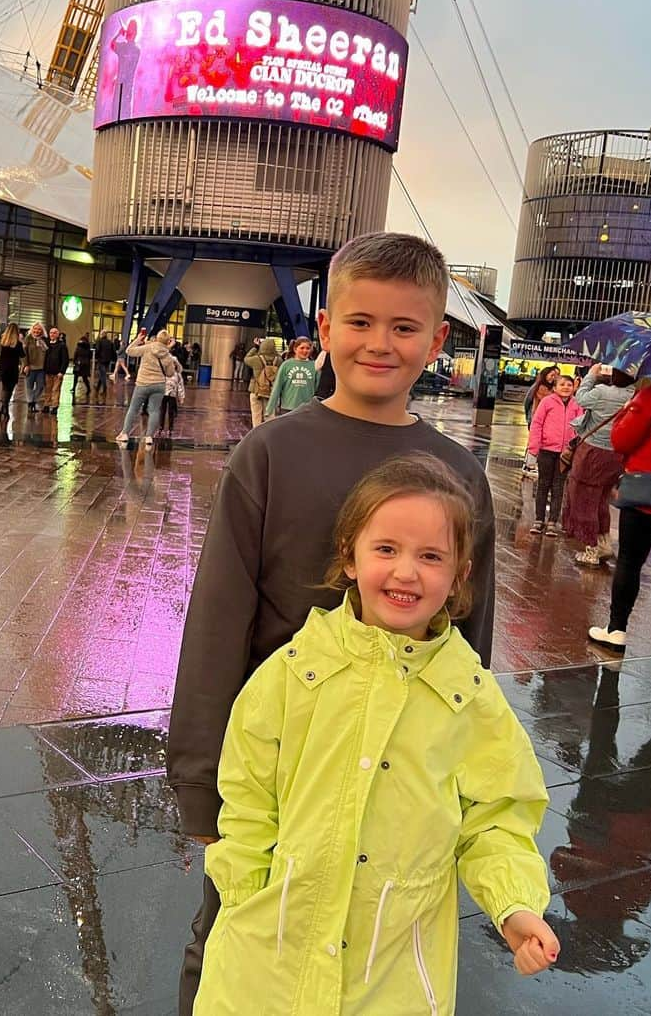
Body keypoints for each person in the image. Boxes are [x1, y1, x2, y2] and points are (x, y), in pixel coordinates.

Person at [167, 232, 498, 1015]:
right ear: (324, 330)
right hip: (285, 761)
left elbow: (469, 644)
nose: (380, 344)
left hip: (399, 766)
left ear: (435, 341)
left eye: (404, 327)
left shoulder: (462, 476)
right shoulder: (270, 455)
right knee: (234, 936)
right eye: (359, 322)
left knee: (375, 952)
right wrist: (199, 786)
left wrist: (467, 781)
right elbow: (218, 625)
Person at [193, 454, 556, 1016]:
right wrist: (243, 892)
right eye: (386, 549)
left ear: (460, 575)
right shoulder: (296, 672)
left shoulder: (469, 697)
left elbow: (499, 819)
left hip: (392, 967)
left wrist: (515, 905)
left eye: (431, 556)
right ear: (351, 557)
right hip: (272, 951)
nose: (406, 572)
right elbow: (247, 791)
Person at [588, 377, 651, 652]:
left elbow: (621, 440)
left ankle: (616, 630)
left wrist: (628, 409)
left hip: (644, 496)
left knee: (629, 562)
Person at [563, 364, 635, 566]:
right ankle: (604, 543)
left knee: (585, 500)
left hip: (593, 453)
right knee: (602, 499)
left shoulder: (603, 392)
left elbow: (581, 398)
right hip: (615, 455)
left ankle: (592, 549)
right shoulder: (633, 394)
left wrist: (591, 376)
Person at [526, 374, 583, 536]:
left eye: (569, 385)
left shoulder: (577, 404)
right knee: (543, 484)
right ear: (555, 387)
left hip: (566, 453)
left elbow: (581, 427)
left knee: (559, 487)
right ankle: (539, 520)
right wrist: (533, 449)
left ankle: (552, 522)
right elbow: (537, 424)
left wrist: (575, 448)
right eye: (562, 384)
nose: (566, 387)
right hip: (546, 450)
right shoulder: (547, 402)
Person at [115, 328, 180, 446]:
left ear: (157, 338)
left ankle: (125, 434)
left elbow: (129, 351)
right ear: (167, 342)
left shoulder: (147, 348)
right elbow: (170, 374)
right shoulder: (168, 356)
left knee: (133, 408)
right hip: (159, 385)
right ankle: (149, 437)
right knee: (154, 411)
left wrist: (137, 340)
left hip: (143, 383)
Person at [265, 335, 318, 418]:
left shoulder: (315, 366)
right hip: (288, 408)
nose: (305, 351)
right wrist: (269, 408)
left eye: (307, 348)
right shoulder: (286, 365)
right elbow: (277, 387)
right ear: (295, 349)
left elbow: (317, 389)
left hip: (307, 409)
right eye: (302, 348)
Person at [522, 365, 559, 477]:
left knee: (539, 442)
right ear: (545, 374)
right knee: (534, 442)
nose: (554, 377)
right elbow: (527, 402)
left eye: (557, 375)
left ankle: (531, 464)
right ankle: (529, 465)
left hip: (548, 422)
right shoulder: (540, 387)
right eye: (552, 374)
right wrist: (529, 418)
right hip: (536, 420)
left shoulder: (554, 389)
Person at [245, 337, 280, 426]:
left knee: (256, 415)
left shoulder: (256, 359)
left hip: (256, 390)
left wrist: (255, 347)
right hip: (271, 391)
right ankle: (269, 434)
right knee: (270, 415)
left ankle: (256, 435)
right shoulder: (279, 360)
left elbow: (246, 359)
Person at [0, 322, 25, 417]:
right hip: (12, 368)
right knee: (10, 389)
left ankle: (3, 407)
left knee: (4, 388)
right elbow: (22, 355)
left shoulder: (4, 342)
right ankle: (5, 407)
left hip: (3, 367)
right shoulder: (18, 344)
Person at [42, 326, 69, 414]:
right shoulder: (47, 345)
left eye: (54, 333)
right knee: (47, 389)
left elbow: (65, 359)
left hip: (57, 373)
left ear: (58, 335)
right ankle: (46, 405)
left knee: (55, 389)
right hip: (48, 371)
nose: (52, 334)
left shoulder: (62, 346)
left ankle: (54, 406)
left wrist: (62, 371)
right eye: (51, 333)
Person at [23, 322, 49, 413]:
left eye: (39, 329)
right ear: (32, 329)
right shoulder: (28, 339)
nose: (37, 331)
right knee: (29, 387)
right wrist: (26, 365)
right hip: (30, 367)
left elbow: (47, 352)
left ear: (42, 331)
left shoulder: (44, 340)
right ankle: (31, 404)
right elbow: (24, 354)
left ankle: (33, 401)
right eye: (35, 329)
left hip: (41, 368)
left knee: (40, 387)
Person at [162, 349, 185, 434]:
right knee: (162, 411)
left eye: (174, 364)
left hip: (172, 394)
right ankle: (161, 427)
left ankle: (170, 428)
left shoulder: (177, 375)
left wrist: (181, 397)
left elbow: (180, 386)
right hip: (163, 394)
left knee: (171, 412)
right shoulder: (164, 373)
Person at [93, 330, 116, 399]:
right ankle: (97, 388)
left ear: (102, 334)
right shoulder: (110, 342)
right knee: (102, 373)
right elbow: (113, 351)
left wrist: (96, 358)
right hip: (107, 361)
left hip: (101, 360)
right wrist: (113, 359)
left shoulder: (99, 341)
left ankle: (105, 388)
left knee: (102, 375)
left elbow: (97, 350)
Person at [71, 334, 93, 402]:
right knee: (85, 378)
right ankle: (88, 388)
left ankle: (74, 388)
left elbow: (75, 355)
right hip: (86, 364)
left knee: (76, 377)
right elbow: (90, 356)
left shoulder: (78, 347)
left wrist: (74, 362)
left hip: (79, 363)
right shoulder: (88, 347)